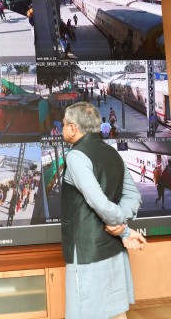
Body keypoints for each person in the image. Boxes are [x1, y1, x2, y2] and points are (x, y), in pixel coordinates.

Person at [61, 102, 147, 319]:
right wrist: (123, 229)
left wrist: (122, 228)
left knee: (85, 312)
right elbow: (133, 196)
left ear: (73, 128)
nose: (62, 128)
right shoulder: (113, 153)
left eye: (63, 124)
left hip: (87, 249)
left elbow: (98, 202)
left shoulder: (75, 156)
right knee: (115, 312)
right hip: (114, 247)